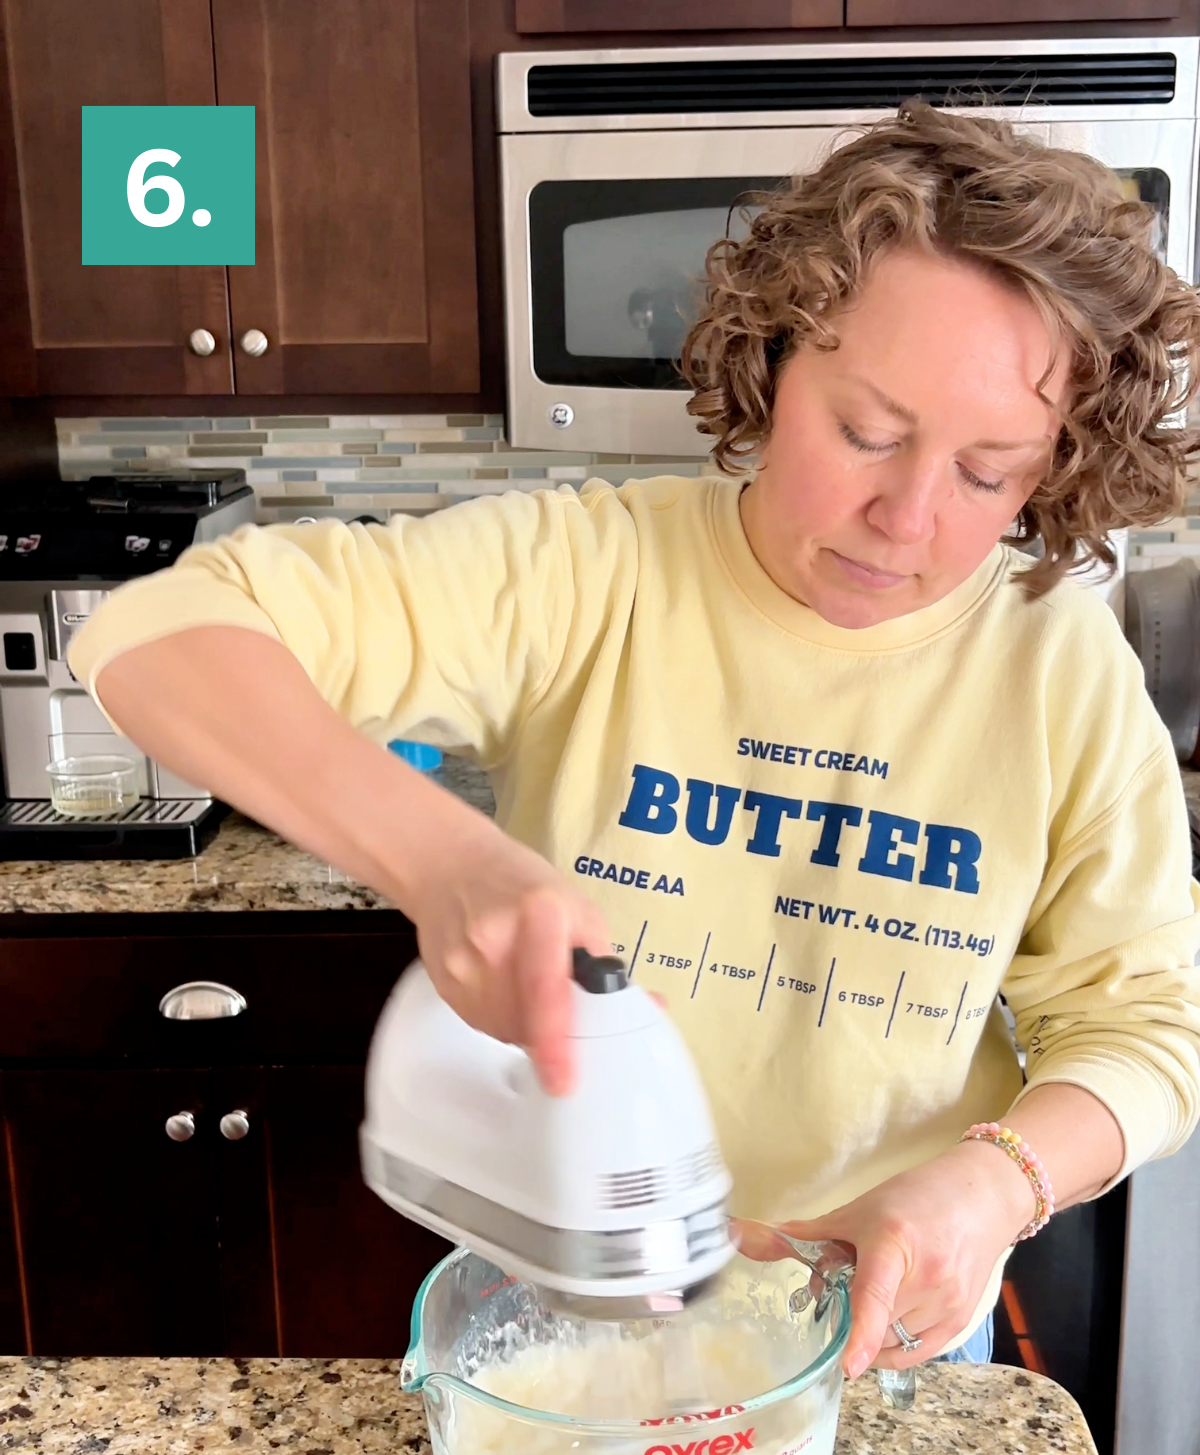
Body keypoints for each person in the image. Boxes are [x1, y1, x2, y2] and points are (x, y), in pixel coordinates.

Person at [69, 102, 1200, 1383]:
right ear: (774, 365)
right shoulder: (588, 571)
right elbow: (158, 627)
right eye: (868, 434)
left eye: (989, 473)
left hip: (883, 1335)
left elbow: (1150, 1026)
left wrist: (997, 1186)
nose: (908, 517)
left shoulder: (1057, 663)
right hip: (571, 1312)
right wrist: (443, 863)